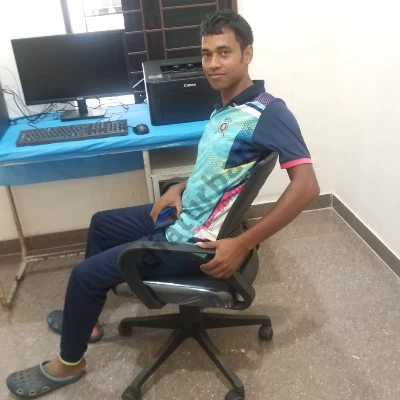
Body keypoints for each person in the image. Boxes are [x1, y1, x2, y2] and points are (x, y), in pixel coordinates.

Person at [6, 9, 320, 398]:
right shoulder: (226, 107)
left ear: (247, 54)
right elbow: (220, 171)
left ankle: (70, 363)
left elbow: (307, 187)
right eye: (206, 54)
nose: (212, 63)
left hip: (194, 241)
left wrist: (242, 243)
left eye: (224, 52)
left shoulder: (268, 112)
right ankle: (87, 320)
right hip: (184, 212)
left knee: (84, 275)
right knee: (102, 223)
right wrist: (179, 188)